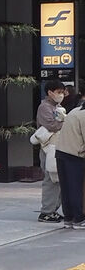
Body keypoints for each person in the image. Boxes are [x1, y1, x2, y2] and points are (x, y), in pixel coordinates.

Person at [34, 80, 67, 222]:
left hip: (57, 147)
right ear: (50, 92)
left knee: (57, 179)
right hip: (48, 148)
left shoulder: (57, 107)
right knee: (50, 179)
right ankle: (46, 212)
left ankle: (52, 210)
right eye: (59, 92)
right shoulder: (44, 107)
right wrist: (66, 122)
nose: (61, 95)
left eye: (62, 92)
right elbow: (51, 125)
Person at [55, 98, 85, 230]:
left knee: (66, 188)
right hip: (75, 154)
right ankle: (79, 219)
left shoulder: (75, 111)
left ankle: (68, 218)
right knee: (76, 188)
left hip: (61, 152)